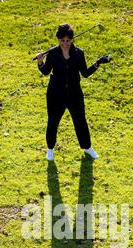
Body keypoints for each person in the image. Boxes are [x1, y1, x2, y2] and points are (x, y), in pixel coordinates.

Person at [36, 23, 111, 161]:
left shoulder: (79, 53)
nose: (65, 43)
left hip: (74, 93)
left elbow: (85, 73)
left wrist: (98, 63)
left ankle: (88, 148)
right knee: (53, 121)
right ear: (58, 39)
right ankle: (50, 149)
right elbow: (46, 72)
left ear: (72, 39)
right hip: (55, 94)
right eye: (62, 40)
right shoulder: (52, 53)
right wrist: (40, 62)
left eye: (68, 40)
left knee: (80, 121)